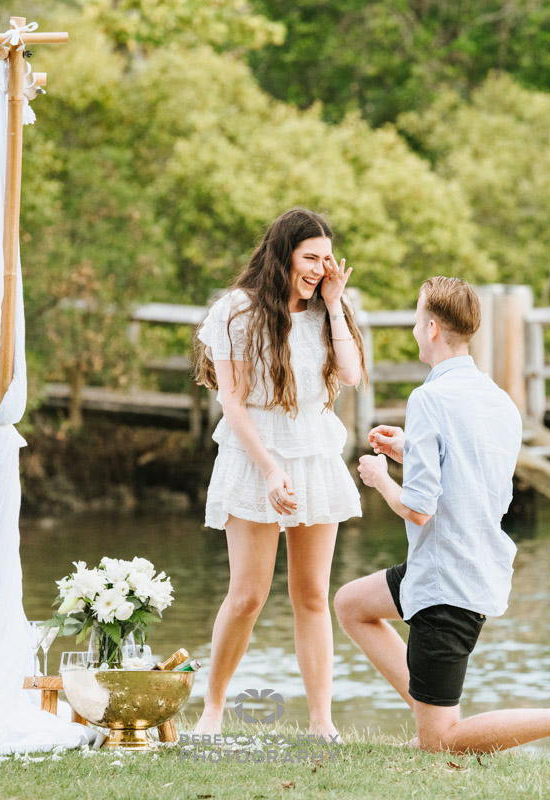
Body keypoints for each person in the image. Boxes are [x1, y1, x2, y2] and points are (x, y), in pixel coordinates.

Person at [334, 277, 550, 764]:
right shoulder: (499, 401)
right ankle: (431, 710)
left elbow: (420, 509)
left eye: (414, 321)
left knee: (440, 743)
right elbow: (467, 471)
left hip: (445, 579)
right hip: (470, 564)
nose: (412, 329)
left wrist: (380, 476)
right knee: (350, 604)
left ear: (430, 328)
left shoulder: (428, 398)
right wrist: (409, 447)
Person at [191, 208, 366, 738]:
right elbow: (234, 403)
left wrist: (335, 305)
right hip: (254, 457)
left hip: (313, 454)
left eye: (325, 259)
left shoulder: (325, 309)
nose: (319, 268)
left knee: (312, 595)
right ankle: (213, 711)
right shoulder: (236, 312)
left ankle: (321, 722)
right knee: (248, 595)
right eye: (309, 258)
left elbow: (353, 375)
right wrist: (269, 470)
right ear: (283, 253)